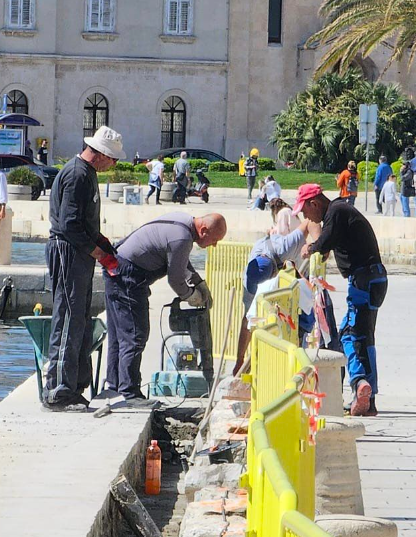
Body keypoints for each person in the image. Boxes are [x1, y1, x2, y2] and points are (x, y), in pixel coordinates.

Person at [103, 213, 225, 405]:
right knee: (135, 335)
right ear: (203, 231)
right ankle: (130, 392)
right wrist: (191, 296)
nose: (215, 245)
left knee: (120, 334)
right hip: (127, 275)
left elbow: (180, 262)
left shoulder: (183, 223)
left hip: (117, 267)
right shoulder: (182, 237)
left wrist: (199, 283)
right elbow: (175, 279)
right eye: (215, 240)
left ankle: (115, 384)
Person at [43, 125, 123, 410]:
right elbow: (70, 225)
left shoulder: (85, 174)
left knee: (78, 318)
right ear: (99, 154)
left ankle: (74, 386)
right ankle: (58, 391)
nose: (113, 164)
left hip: (78, 253)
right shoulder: (77, 175)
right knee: (67, 318)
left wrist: (101, 242)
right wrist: (98, 252)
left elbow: (82, 223)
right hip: (68, 252)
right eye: (112, 158)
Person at [298, 184, 387, 417]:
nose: (306, 217)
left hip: (363, 280)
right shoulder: (339, 212)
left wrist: (310, 248)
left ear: (314, 203)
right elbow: (329, 246)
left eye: (306, 211)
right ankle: (370, 399)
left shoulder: (335, 211)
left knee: (350, 334)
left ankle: (359, 384)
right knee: (364, 337)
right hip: (373, 278)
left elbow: (322, 244)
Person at [233, 201, 321, 373]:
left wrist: (318, 248)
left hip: (294, 276)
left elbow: (311, 221)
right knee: (254, 317)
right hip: (275, 268)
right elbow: (247, 321)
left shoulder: (285, 246)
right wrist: (239, 360)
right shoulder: (250, 275)